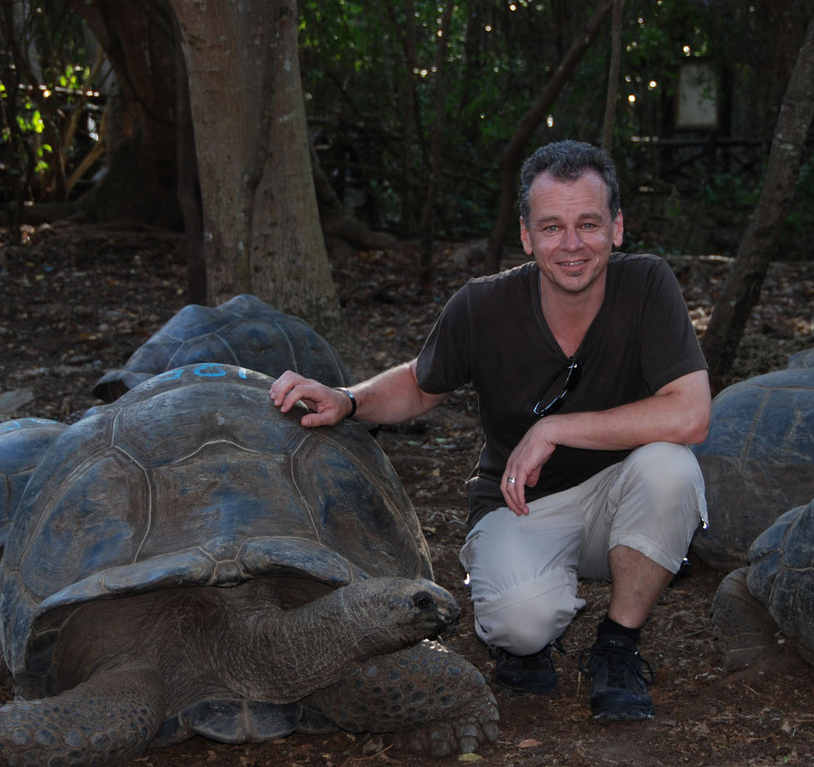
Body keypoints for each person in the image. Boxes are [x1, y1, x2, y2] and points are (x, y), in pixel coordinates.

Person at [270, 139, 710, 722]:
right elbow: (422, 385)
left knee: (671, 468)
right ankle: (534, 616)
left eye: (589, 224)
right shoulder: (483, 306)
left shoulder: (648, 286)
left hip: (621, 502)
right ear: (527, 236)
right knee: (520, 625)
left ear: (617, 228)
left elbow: (690, 413)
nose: (572, 245)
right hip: (521, 503)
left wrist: (557, 427)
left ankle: (617, 646)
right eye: (552, 227)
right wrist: (348, 400)